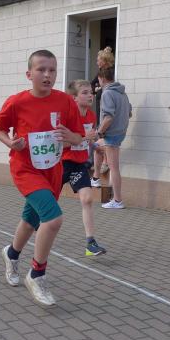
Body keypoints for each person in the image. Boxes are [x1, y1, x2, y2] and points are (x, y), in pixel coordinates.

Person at [0, 49, 84, 307]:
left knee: (30, 220)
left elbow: (78, 137)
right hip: (25, 169)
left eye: (52, 70)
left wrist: (70, 137)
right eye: (41, 70)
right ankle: (37, 274)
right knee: (53, 219)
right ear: (29, 74)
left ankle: (11, 254)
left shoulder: (65, 102)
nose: (47, 75)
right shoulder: (17, 102)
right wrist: (11, 142)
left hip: (52, 170)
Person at [63, 80, 107, 256]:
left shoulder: (91, 116)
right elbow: (60, 143)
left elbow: (88, 139)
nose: (91, 95)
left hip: (79, 164)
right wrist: (83, 138)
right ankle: (33, 225)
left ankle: (90, 243)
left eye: (91, 92)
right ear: (74, 98)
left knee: (87, 199)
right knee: (48, 202)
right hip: (61, 163)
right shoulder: (66, 117)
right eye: (85, 93)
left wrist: (95, 146)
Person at [91, 67, 132, 209]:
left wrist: (100, 132)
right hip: (119, 133)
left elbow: (108, 117)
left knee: (114, 168)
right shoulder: (122, 93)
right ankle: (96, 178)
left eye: (98, 80)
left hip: (112, 135)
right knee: (96, 146)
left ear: (102, 78)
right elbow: (129, 113)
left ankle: (117, 200)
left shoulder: (107, 93)